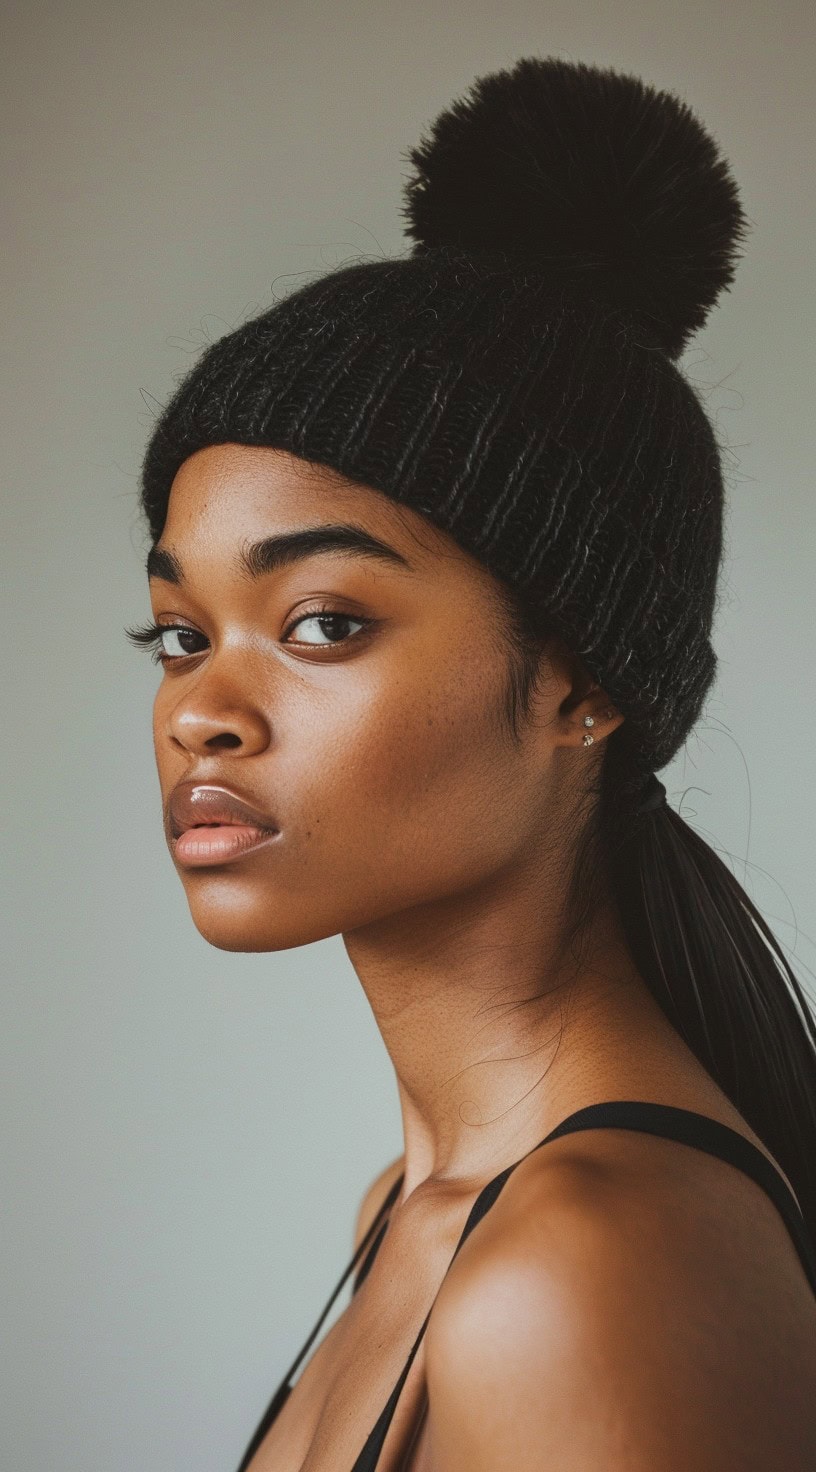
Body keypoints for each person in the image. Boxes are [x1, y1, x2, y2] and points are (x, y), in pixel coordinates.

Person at [126, 54, 816, 1470]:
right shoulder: (408, 1209)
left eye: (322, 621)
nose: (201, 709)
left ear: (582, 682)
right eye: (180, 634)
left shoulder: (580, 1273)